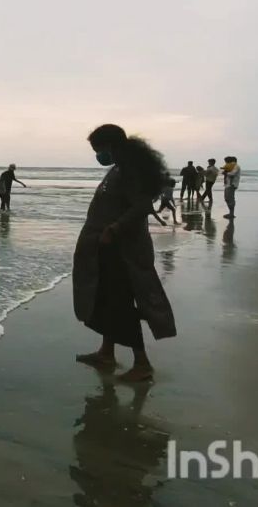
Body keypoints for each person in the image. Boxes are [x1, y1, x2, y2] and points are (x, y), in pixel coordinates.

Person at [74, 124, 176, 383]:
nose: (98, 154)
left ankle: (142, 363)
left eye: (99, 149)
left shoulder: (129, 171)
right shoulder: (119, 169)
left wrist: (114, 229)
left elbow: (142, 206)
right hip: (108, 248)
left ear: (112, 146)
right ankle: (106, 352)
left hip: (121, 251)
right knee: (108, 300)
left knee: (120, 304)